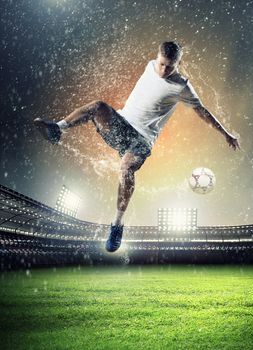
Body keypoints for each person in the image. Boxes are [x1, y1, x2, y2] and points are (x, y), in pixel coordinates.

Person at [34, 41, 240, 253]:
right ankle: (57, 129)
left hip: (142, 140)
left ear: (178, 64)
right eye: (162, 64)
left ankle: (116, 224)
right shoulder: (150, 66)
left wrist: (226, 134)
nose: (164, 70)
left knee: (125, 169)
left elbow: (202, 111)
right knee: (97, 106)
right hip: (121, 126)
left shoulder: (182, 86)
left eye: (170, 67)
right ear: (157, 58)